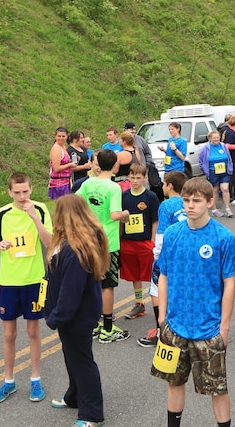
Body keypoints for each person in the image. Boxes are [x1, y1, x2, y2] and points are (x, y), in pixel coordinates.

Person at [151, 177, 235, 427]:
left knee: (218, 388)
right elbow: (164, 275)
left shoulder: (223, 238)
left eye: (197, 201)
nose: (190, 205)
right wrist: (162, 318)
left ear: (210, 202)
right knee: (174, 382)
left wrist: (224, 327)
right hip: (175, 326)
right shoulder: (172, 234)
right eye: (186, 200)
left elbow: (230, 284)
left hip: (209, 329)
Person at [44, 194, 108, 427]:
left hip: (76, 317)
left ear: (64, 216)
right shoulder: (69, 242)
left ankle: (91, 413)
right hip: (72, 316)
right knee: (72, 357)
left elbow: (71, 292)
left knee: (82, 361)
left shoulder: (75, 250)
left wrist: (56, 317)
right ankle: (74, 396)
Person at [0, 173, 52, 404]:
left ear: (31, 189)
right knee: (8, 334)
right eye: (17, 192)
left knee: (33, 331)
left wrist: (35, 218)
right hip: (9, 281)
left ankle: (36, 379)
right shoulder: (1, 214)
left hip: (34, 279)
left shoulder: (41, 209)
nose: (22, 196)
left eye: (25, 191)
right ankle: (8, 381)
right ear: (9, 192)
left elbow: (49, 243)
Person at [74, 149, 126, 344]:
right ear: (114, 166)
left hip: (89, 238)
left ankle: (94, 323)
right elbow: (114, 214)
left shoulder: (88, 183)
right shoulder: (113, 188)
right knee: (108, 285)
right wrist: (126, 214)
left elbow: (76, 200)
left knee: (93, 281)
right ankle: (108, 328)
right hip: (108, 242)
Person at [139, 170, 188, 349]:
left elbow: (162, 234)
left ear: (170, 186)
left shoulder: (166, 205)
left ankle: (162, 332)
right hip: (185, 255)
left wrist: (156, 254)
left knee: (157, 291)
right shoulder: (187, 203)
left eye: (164, 183)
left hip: (168, 256)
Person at [118, 162, 160, 330]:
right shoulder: (124, 196)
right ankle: (139, 303)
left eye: (138, 178)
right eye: (132, 177)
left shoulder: (150, 197)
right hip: (128, 241)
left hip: (145, 242)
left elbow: (154, 221)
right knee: (134, 275)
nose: (134, 180)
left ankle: (161, 303)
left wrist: (152, 242)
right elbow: (121, 220)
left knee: (152, 275)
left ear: (144, 178)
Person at [199, 129, 233, 218]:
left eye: (218, 137)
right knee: (214, 190)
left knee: (225, 189)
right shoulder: (205, 148)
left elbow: (229, 157)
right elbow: (201, 161)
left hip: (224, 171)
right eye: (214, 138)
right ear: (210, 138)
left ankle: (228, 209)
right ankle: (214, 210)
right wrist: (205, 171)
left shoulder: (223, 146)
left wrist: (230, 167)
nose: (216, 139)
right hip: (212, 172)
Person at [48, 127, 73, 200]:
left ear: (67, 136)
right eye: (59, 136)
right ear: (55, 136)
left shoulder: (63, 147)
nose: (61, 138)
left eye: (63, 136)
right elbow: (56, 168)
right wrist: (69, 165)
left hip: (66, 181)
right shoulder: (56, 149)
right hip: (59, 184)